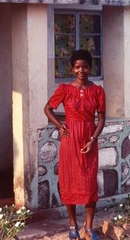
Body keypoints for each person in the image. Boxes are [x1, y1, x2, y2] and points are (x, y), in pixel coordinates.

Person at [44, 49, 106, 240]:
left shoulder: (97, 91)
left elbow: (101, 118)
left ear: (90, 68)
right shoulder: (64, 89)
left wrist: (93, 139)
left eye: (85, 66)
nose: (81, 70)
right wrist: (59, 125)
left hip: (88, 140)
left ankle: (88, 227)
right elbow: (47, 109)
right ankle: (72, 225)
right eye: (77, 67)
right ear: (72, 69)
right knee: (69, 182)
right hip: (69, 140)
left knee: (89, 184)